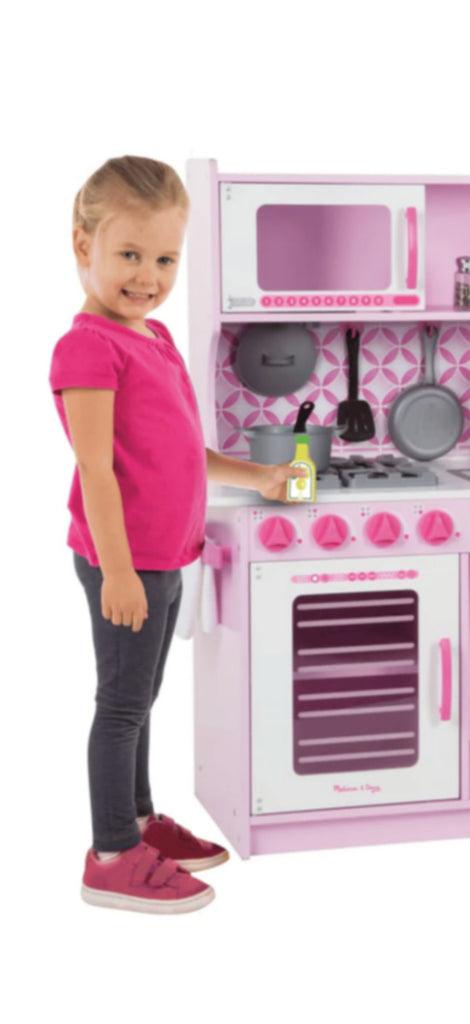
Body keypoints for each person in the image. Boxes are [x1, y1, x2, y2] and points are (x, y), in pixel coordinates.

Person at [50, 156, 304, 913]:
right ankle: (111, 855)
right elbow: (96, 469)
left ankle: (137, 821)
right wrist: (118, 572)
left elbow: (182, 450)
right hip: (125, 562)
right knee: (121, 705)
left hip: (164, 557)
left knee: (142, 697)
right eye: (129, 254)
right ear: (83, 244)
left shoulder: (153, 337)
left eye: (164, 259)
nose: (148, 276)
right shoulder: (88, 347)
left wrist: (258, 477)